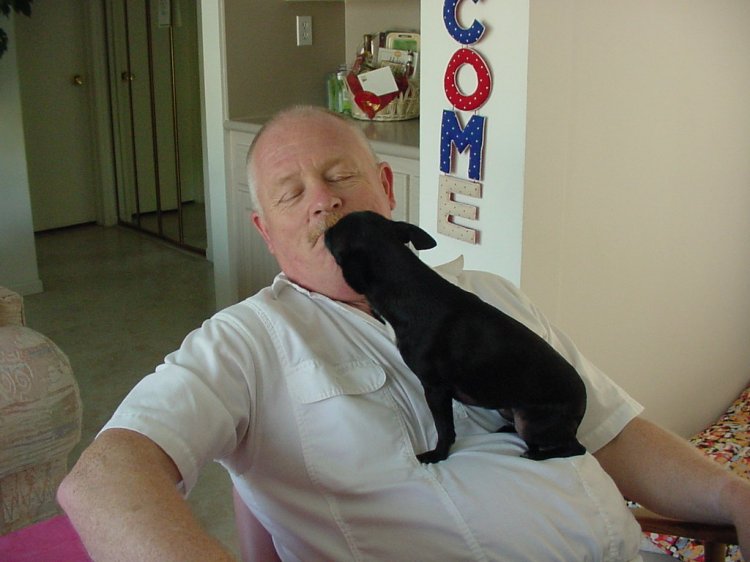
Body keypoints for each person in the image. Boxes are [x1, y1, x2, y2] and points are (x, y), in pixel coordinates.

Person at [58, 106, 749, 561]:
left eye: (339, 175)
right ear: (266, 232)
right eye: (292, 193)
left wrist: (733, 496)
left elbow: (611, 431)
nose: (324, 199)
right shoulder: (247, 342)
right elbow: (104, 482)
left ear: (387, 190)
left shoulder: (490, 295)